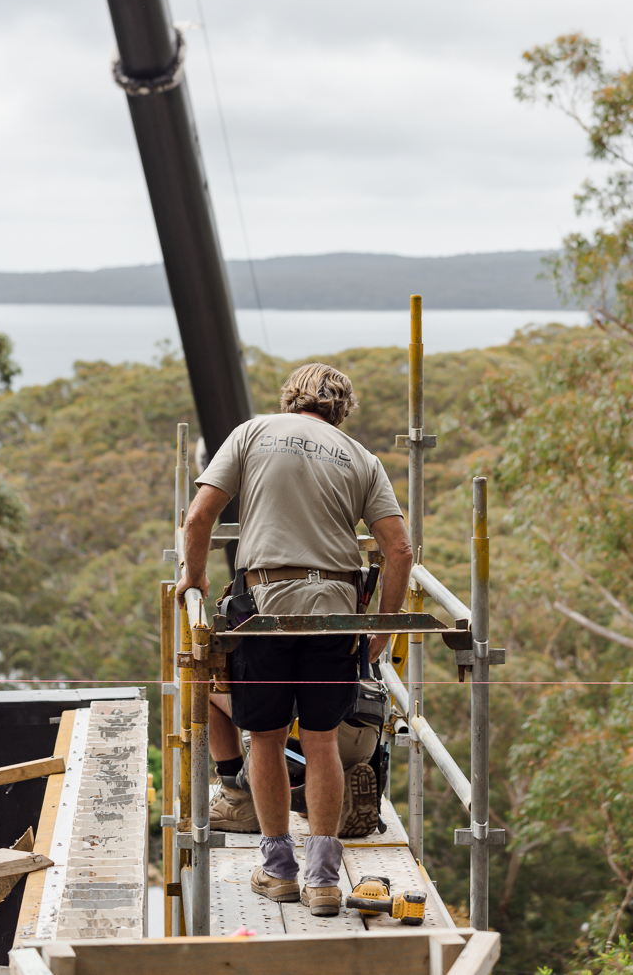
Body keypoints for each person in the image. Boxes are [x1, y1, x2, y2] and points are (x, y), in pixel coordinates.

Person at [174, 363, 412, 917]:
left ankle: (279, 869)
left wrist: (194, 577)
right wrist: (384, 624)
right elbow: (399, 550)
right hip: (336, 610)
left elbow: (199, 515)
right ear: (342, 408)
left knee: (264, 737)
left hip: (267, 606)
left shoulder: (253, 433)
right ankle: (325, 880)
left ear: (290, 399)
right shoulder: (361, 458)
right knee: (323, 739)